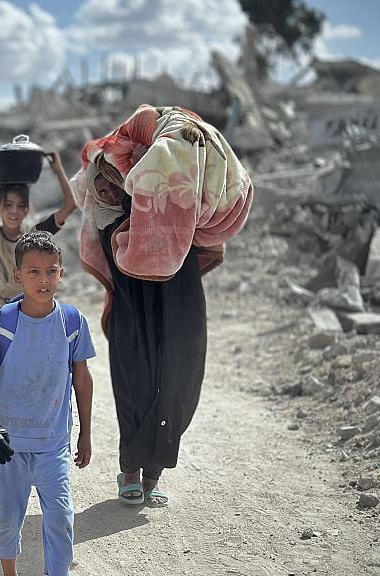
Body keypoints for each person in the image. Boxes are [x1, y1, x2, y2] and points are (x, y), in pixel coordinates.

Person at [74, 105, 253, 507]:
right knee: (134, 383)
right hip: (132, 314)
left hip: (178, 308)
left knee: (178, 379)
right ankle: (130, 470)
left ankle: (153, 473)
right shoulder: (109, 221)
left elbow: (173, 174)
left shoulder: (170, 210)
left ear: (128, 180)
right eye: (100, 187)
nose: (108, 193)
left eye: (112, 185)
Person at [0, 231, 95, 576]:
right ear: (17, 275)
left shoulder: (72, 322)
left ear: (61, 274)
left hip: (53, 443)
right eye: (34, 272)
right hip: (8, 445)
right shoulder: (0, 324)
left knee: (62, 517)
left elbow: (82, 378)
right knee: (8, 519)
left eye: (51, 271)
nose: (43, 279)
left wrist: (85, 434)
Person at [0, 152, 76, 314]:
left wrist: (58, 170)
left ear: (26, 209)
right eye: (8, 205)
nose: (14, 211)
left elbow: (70, 205)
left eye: (20, 206)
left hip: (29, 315)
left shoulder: (35, 237)